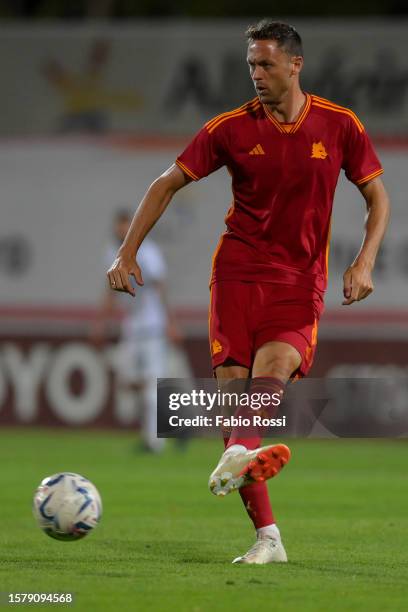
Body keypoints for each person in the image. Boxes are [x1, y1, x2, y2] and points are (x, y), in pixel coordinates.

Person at [107, 20, 390, 564]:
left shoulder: (339, 125)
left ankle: (239, 455)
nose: (257, 75)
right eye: (251, 65)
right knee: (239, 404)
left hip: (298, 283)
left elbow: (378, 198)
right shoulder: (230, 129)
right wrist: (126, 252)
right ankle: (269, 538)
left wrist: (364, 262)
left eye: (266, 64)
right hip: (236, 277)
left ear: (294, 65)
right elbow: (165, 183)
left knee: (273, 375)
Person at [95, 209, 180, 452]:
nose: (121, 231)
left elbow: (160, 287)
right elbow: (110, 291)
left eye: (125, 227)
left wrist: (170, 322)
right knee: (129, 381)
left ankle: (154, 442)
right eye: (119, 227)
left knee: (151, 385)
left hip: (153, 326)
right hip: (131, 327)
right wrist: (101, 322)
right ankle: (168, 427)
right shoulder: (112, 254)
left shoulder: (148, 252)